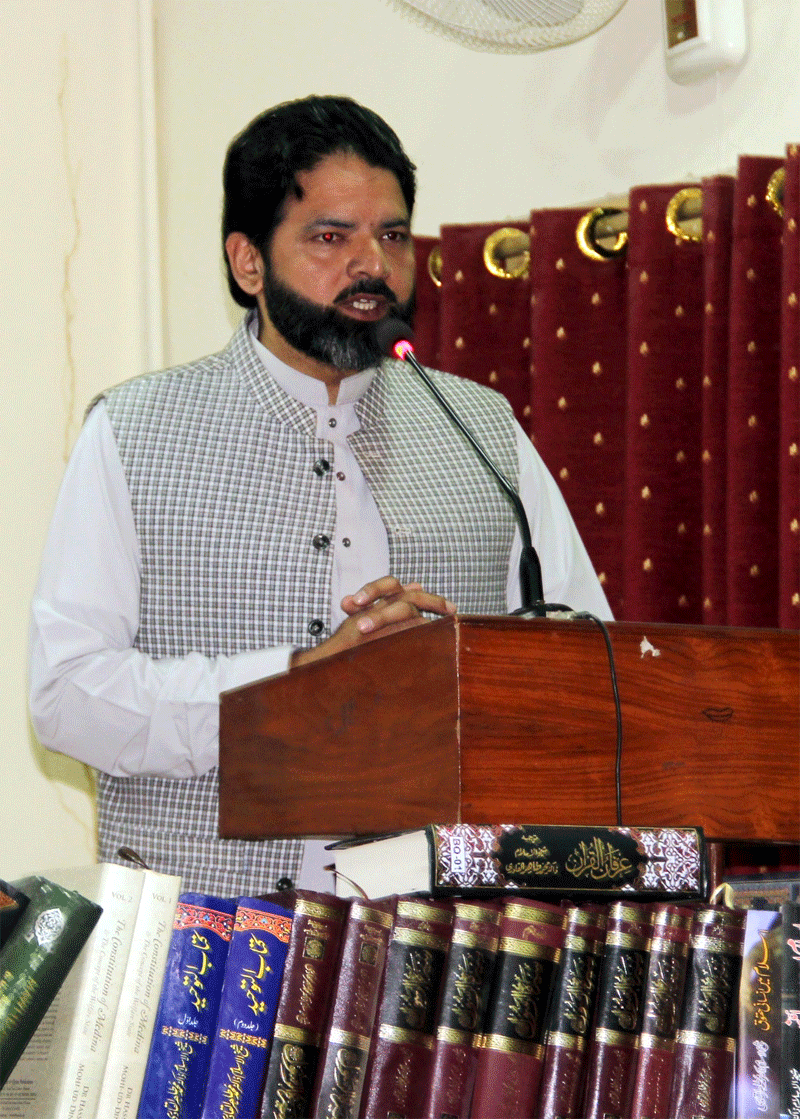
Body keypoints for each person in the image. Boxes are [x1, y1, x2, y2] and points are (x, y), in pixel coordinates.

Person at [29, 95, 611, 896]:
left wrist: (461, 664)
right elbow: (67, 696)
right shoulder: (134, 432)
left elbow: (590, 675)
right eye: (331, 236)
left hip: (438, 952)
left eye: (393, 235)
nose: (372, 265)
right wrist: (299, 682)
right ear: (248, 262)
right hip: (204, 938)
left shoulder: (483, 429)